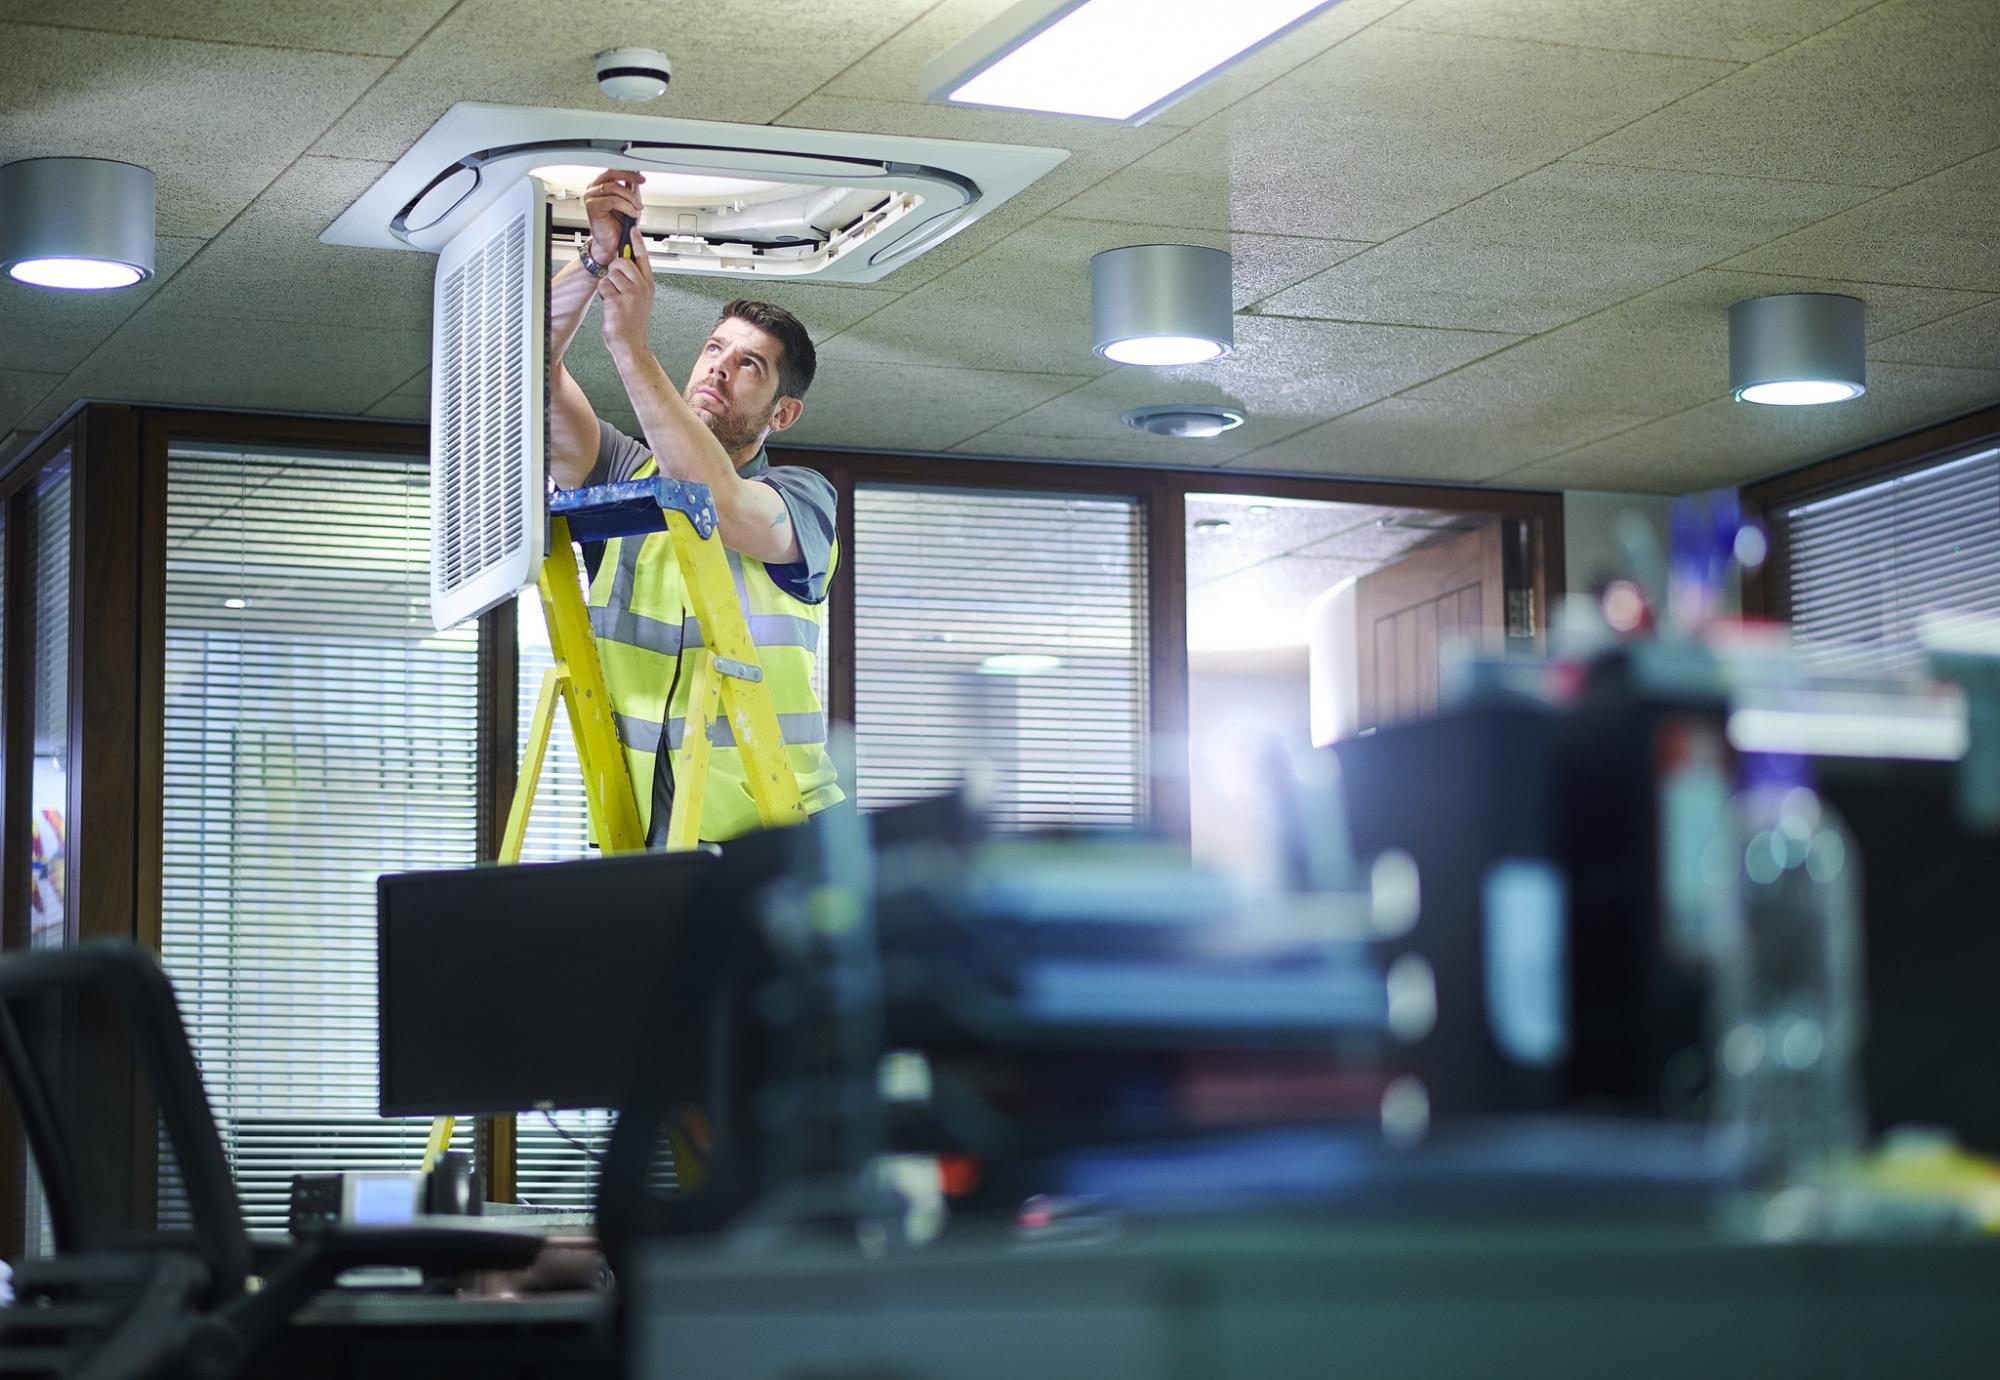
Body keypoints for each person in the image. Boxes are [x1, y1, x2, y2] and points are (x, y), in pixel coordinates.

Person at [546, 168, 841, 844]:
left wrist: (628, 345)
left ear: (783, 413)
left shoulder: (803, 502)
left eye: (749, 366)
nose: (717, 368)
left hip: (781, 833)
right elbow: (521, 364)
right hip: (646, 828)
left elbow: (718, 505)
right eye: (714, 349)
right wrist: (594, 259)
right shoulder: (622, 471)